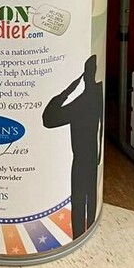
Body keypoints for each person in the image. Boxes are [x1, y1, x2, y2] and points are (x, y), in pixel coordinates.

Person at [42, 54, 104, 238]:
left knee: (79, 201)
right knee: (90, 198)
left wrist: (67, 92)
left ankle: (79, 235)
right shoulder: (97, 95)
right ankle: (86, 230)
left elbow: (49, 119)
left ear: (85, 76)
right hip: (94, 158)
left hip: (81, 160)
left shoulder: (82, 102)